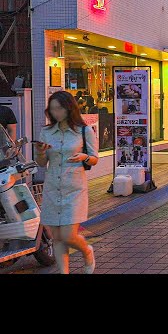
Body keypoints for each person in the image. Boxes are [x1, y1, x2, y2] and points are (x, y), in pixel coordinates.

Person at [34, 90, 99, 274]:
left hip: (75, 188)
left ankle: (87, 251)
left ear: (69, 108)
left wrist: (84, 156)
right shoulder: (46, 132)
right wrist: (40, 152)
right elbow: (41, 162)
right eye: (52, 109)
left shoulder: (84, 130)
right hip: (52, 187)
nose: (56, 113)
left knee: (68, 235)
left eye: (59, 108)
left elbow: (94, 158)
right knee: (57, 237)